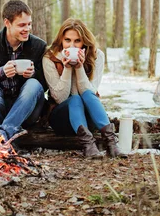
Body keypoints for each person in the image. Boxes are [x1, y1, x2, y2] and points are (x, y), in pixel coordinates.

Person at [42, 18, 126, 158]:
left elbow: (90, 93)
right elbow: (60, 97)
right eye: (67, 40)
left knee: (87, 94)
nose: (72, 46)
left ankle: (111, 144)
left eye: (77, 41)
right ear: (61, 40)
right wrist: (68, 68)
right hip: (61, 118)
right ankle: (88, 146)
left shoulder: (97, 56)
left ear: (84, 42)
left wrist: (79, 68)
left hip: (89, 119)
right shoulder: (50, 58)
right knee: (74, 99)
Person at [0, 0, 47, 142]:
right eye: (22, 25)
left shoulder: (38, 46)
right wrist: (0, 72)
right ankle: (7, 130)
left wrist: (33, 74)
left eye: (29, 24)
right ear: (7, 23)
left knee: (34, 84)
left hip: (25, 110)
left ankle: (3, 132)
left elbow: (45, 86)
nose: (27, 29)